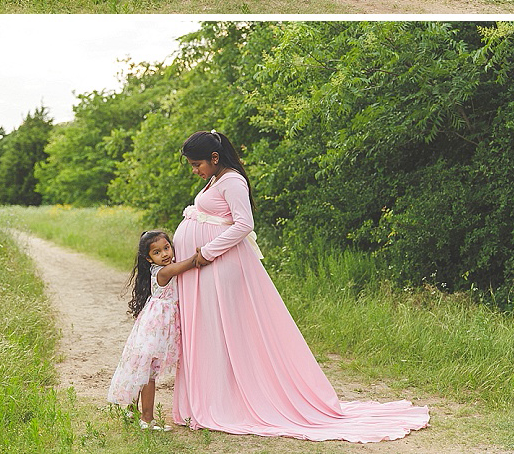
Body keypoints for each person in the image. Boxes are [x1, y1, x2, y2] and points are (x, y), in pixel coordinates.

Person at [171, 130, 430, 440]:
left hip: (219, 266)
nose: (194, 170)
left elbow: (245, 224)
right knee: (212, 332)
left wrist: (208, 252)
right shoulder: (216, 180)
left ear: (214, 158)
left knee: (222, 331)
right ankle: (214, 396)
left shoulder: (232, 181)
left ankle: (228, 400)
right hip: (208, 269)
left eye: (196, 163)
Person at [107, 230, 201, 430]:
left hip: (155, 325)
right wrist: (204, 253)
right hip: (156, 327)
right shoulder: (163, 271)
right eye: (157, 252)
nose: (165, 254)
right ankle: (147, 419)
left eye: (167, 248)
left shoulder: (161, 268)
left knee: (145, 369)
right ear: (149, 259)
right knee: (148, 372)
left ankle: (132, 410)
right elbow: (192, 263)